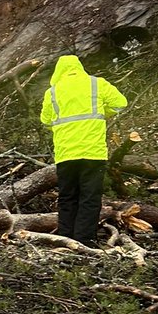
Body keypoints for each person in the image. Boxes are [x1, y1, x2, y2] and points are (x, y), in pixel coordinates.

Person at [40, 54, 127, 247]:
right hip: (93, 153)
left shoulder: (52, 92)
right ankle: (85, 240)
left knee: (67, 198)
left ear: (58, 71)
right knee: (90, 198)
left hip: (65, 154)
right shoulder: (97, 84)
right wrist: (101, 114)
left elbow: (46, 121)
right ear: (79, 67)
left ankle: (65, 239)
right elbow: (121, 103)